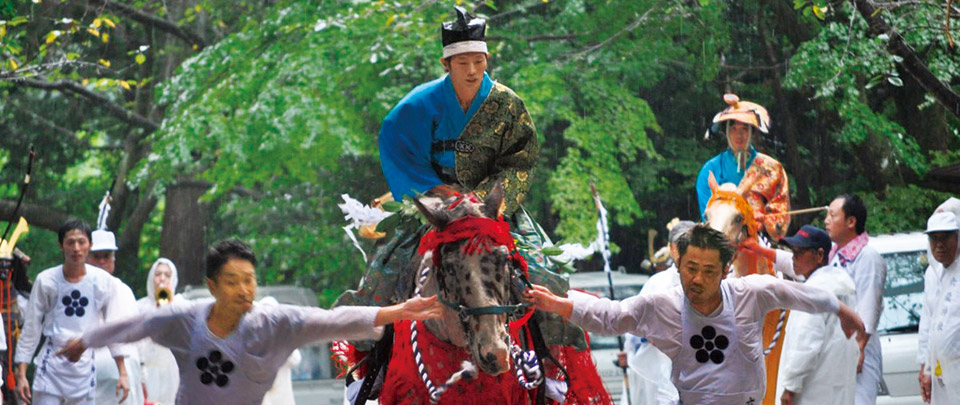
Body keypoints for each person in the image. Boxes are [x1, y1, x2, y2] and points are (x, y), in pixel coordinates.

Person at [336, 3, 589, 376]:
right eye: (462, 63)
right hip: (433, 203)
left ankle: (549, 368)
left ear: (487, 60)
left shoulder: (506, 105)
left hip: (493, 206)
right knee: (384, 273)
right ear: (446, 65)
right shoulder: (416, 107)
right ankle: (376, 368)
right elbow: (401, 152)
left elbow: (518, 161)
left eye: (478, 61)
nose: (472, 71)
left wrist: (487, 201)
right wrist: (446, 194)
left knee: (543, 274)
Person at [57, 239, 443, 404]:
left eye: (249, 280)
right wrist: (84, 340)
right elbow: (134, 325)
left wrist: (400, 311)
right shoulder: (182, 320)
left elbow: (334, 320)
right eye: (232, 282)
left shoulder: (275, 322)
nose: (244, 290)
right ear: (211, 285)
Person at [525, 224, 866, 404]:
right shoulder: (662, 305)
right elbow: (612, 316)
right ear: (678, 264)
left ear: (725, 269)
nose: (698, 280)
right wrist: (560, 304)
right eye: (690, 268)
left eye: (707, 270)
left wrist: (841, 310)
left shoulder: (751, 293)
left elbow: (799, 294)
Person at [14, 219, 132, 405]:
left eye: (81, 242)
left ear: (89, 245)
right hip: (51, 367)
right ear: (61, 246)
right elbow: (32, 327)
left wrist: (123, 373)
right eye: (70, 242)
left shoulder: (102, 282)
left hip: (84, 367)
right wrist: (21, 372)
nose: (76, 248)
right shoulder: (46, 281)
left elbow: (112, 327)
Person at [774, 225, 859, 405]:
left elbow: (806, 344)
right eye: (793, 252)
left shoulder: (814, 291)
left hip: (810, 393)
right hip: (833, 390)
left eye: (800, 252)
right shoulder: (838, 286)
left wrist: (789, 387)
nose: (793, 258)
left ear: (819, 256)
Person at [616, 220, 694, 405]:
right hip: (657, 366)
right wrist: (630, 350)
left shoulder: (712, 281)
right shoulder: (657, 284)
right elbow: (635, 326)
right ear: (674, 249)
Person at [695, 94, 790, 241]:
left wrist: (763, 221)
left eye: (744, 129)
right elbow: (708, 219)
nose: (739, 135)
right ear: (726, 132)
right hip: (721, 242)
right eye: (733, 129)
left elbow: (779, 215)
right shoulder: (710, 170)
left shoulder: (771, 168)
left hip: (761, 242)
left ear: (751, 132)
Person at [824, 194, 886, 404]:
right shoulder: (835, 256)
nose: (827, 221)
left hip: (860, 348)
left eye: (833, 215)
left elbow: (869, 308)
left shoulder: (867, 257)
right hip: (838, 348)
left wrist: (859, 349)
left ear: (851, 222)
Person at [87, 228, 144, 405]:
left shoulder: (124, 290)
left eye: (107, 255)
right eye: (97, 256)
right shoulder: (78, 289)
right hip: (89, 372)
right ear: (87, 257)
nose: (102, 261)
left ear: (114, 259)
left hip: (125, 372)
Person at [916, 211, 960, 404]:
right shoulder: (932, 274)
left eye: (946, 237)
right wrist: (925, 367)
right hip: (939, 367)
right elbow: (928, 321)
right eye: (934, 238)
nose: (939, 244)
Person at [135, 258, 182, 405]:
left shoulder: (181, 306)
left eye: (167, 275)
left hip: (172, 370)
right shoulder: (140, 307)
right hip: (146, 369)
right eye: (158, 274)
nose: (162, 278)